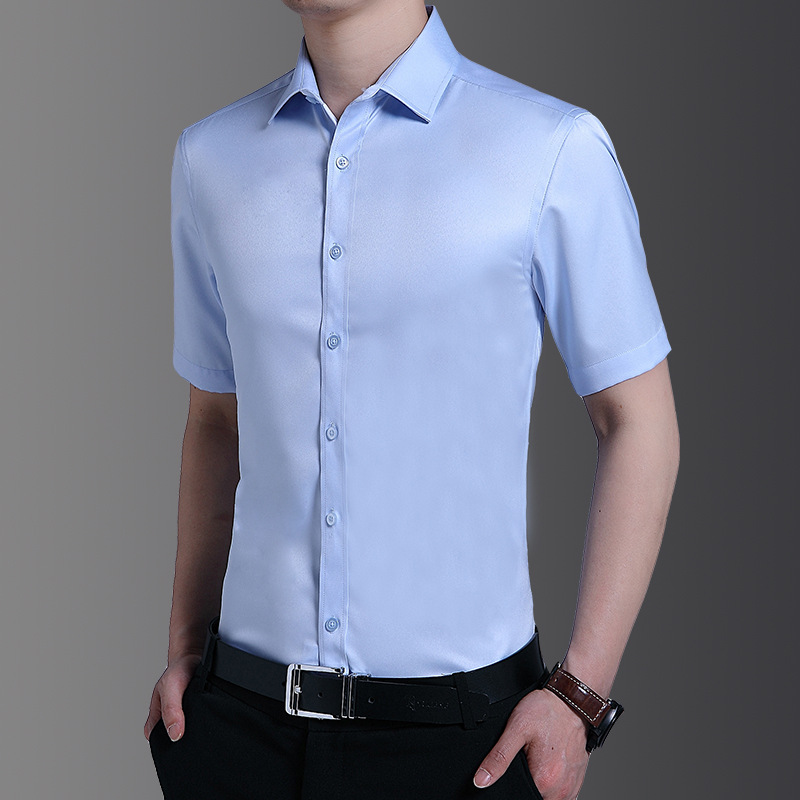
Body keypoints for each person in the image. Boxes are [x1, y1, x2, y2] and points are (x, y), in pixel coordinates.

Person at [144, 2, 680, 798]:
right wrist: (186, 648)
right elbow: (216, 419)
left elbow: (638, 421)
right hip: (240, 731)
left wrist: (580, 695)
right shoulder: (210, 158)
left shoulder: (550, 148)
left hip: (464, 749)